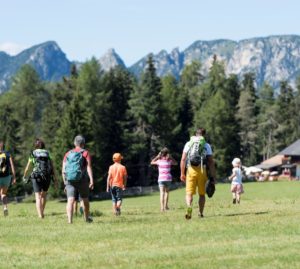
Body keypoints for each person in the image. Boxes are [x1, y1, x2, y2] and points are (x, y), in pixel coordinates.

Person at [180, 128, 216, 219]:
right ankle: (200, 213)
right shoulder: (206, 145)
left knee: (189, 193)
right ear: (204, 135)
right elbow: (211, 162)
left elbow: (183, 159)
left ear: (196, 134)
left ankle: (189, 207)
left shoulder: (189, 143)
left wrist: (182, 173)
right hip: (202, 170)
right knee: (202, 194)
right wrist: (213, 175)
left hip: (190, 170)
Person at [62, 135, 94, 224]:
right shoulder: (85, 153)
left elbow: (63, 170)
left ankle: (69, 221)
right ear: (83, 143)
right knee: (85, 199)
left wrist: (65, 183)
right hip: (82, 179)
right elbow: (89, 167)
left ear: (74, 143)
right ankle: (87, 218)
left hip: (69, 180)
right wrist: (91, 180)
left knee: (70, 200)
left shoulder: (68, 154)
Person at [23, 138, 57, 219]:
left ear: (35, 145)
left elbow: (28, 167)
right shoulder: (47, 152)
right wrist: (55, 178)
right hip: (47, 176)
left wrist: (24, 175)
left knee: (37, 196)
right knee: (44, 195)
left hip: (36, 176)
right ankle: (42, 212)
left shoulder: (33, 153)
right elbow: (52, 166)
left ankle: (40, 215)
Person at [151, 147, 177, 212]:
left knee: (162, 193)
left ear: (161, 154)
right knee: (167, 192)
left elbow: (152, 162)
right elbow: (176, 163)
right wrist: (171, 157)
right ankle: (166, 206)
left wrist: (157, 156)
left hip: (161, 178)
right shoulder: (169, 161)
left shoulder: (159, 161)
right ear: (167, 153)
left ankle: (162, 208)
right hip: (168, 178)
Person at [0, 141, 16, 216]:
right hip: (6, 176)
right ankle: (5, 207)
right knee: (3, 193)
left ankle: (5, 207)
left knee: (2, 194)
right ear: (2, 145)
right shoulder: (7, 153)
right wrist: (14, 177)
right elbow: (12, 165)